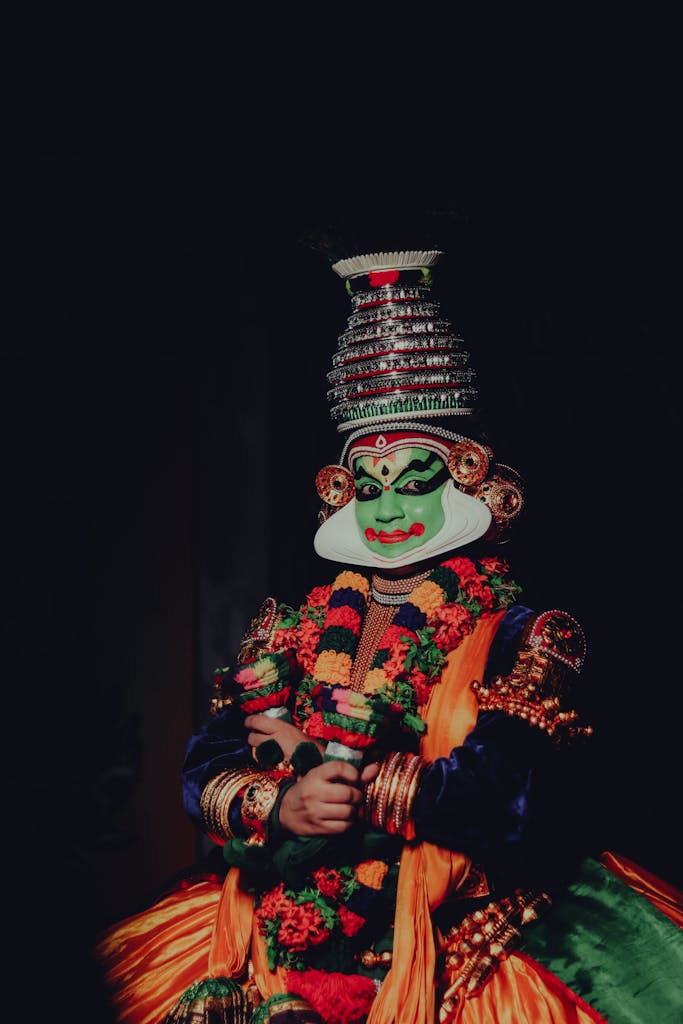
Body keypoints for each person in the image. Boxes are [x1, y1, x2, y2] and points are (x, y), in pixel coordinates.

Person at [95, 248, 683, 1024]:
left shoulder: (525, 633)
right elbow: (207, 764)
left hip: (459, 938)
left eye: (414, 481)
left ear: (467, 476)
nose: (386, 509)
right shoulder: (294, 626)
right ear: (338, 493)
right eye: (366, 487)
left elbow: (496, 797)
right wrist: (285, 805)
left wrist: (328, 775)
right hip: (276, 929)